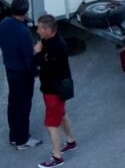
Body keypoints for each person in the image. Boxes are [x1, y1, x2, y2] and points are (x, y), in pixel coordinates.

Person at [33, 15, 76, 167]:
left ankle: (57, 157)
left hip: (54, 90)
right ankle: (71, 141)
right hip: (57, 88)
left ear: (48, 30)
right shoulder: (49, 41)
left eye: (39, 28)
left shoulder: (56, 46)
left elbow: (44, 67)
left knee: (52, 125)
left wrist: (37, 53)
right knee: (62, 115)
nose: (37, 31)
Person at [0, 0, 40, 150]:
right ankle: (22, 140)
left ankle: (13, 136)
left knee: (13, 102)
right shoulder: (24, 32)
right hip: (23, 73)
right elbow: (29, 58)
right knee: (24, 105)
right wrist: (35, 70)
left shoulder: (3, 23)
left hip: (10, 69)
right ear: (26, 11)